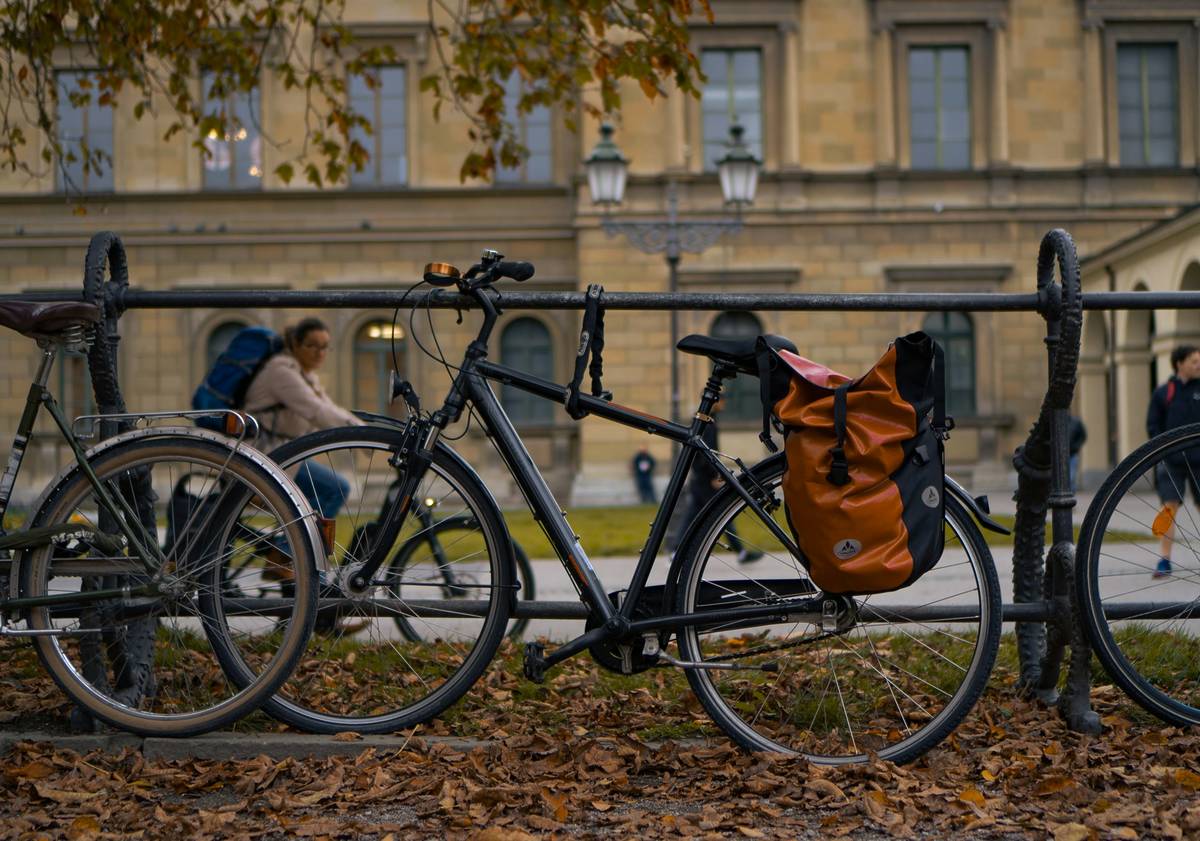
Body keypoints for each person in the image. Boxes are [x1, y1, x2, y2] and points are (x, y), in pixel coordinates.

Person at [243, 317, 365, 521]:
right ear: (296, 345)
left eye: (325, 347)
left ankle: (288, 542)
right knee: (335, 488)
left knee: (317, 496)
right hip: (265, 455)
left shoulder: (305, 375)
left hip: (282, 455)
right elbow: (317, 412)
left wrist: (364, 430)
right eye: (312, 346)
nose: (320, 353)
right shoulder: (281, 372)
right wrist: (362, 435)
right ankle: (289, 549)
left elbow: (330, 408)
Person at [673, 398, 761, 564]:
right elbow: (706, 453)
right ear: (715, 402)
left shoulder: (708, 421)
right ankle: (740, 551)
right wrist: (715, 474)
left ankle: (676, 550)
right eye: (722, 399)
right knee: (722, 513)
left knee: (694, 514)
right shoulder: (707, 423)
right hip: (705, 478)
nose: (725, 403)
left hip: (701, 477)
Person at [1146, 345, 1200, 578]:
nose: (1198, 365)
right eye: (1194, 361)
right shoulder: (1164, 392)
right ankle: (1164, 559)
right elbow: (1153, 425)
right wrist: (1162, 451)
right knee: (1169, 508)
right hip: (1172, 460)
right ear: (1180, 364)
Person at [1068, 414, 1087, 493]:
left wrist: (1076, 446)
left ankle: (1071, 496)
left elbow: (1083, 436)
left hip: (1072, 454)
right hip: (1060, 455)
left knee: (1071, 477)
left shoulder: (1076, 422)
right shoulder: (1057, 421)